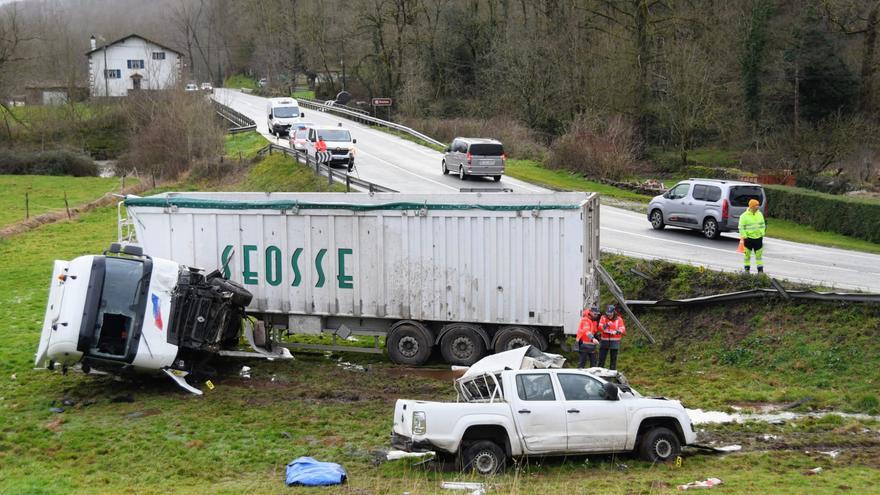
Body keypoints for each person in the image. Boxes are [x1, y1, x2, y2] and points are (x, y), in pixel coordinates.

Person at [739, 198, 766, 273]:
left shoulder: (759, 214)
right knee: (747, 256)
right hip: (748, 239)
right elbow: (741, 227)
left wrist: (762, 233)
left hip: (758, 238)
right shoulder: (744, 216)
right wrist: (745, 236)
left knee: (759, 256)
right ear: (751, 207)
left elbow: (763, 225)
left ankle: (760, 271)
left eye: (758, 206)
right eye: (756, 206)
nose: (758, 207)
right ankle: (747, 270)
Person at [597, 304, 626, 370]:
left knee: (613, 359)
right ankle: (599, 372)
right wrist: (606, 325)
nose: (609, 315)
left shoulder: (619, 319)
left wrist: (618, 331)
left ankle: (612, 372)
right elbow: (600, 327)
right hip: (604, 340)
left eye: (610, 313)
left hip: (615, 341)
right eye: (608, 313)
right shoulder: (603, 317)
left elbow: (623, 329)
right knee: (601, 359)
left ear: (614, 312)